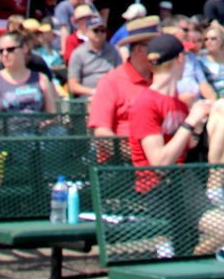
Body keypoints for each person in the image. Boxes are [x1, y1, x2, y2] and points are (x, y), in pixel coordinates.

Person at [125, 33, 214, 168]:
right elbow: (159, 162)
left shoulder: (178, 103)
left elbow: (187, 145)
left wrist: (198, 125)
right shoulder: (145, 103)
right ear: (180, 58)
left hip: (178, 182)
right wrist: (190, 121)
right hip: (154, 187)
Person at [88, 16, 159, 137]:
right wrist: (134, 151)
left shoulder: (162, 79)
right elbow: (101, 132)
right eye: (156, 47)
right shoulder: (111, 82)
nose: (161, 52)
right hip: (124, 154)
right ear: (139, 50)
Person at [0, 33, 57, 114]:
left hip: (37, 126)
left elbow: (51, 114)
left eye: (10, 49)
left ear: (24, 48)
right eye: (1, 51)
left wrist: (47, 123)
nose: (5, 54)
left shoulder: (41, 79)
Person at [67, 16, 120, 96]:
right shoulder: (78, 54)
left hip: (112, 94)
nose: (100, 33)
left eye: (103, 30)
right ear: (87, 32)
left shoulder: (114, 50)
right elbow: (73, 86)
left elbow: (121, 76)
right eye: (96, 30)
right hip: (88, 98)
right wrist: (94, 92)